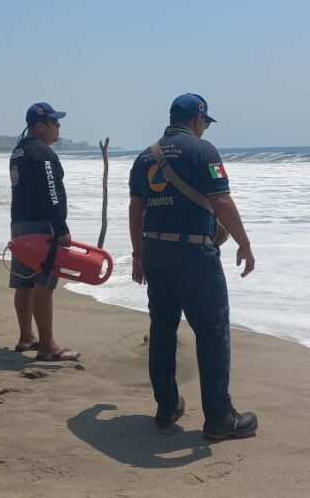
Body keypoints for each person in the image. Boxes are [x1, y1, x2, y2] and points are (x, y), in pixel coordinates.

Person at [128, 93, 257, 440]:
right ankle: (219, 417)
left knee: (163, 328)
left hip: (154, 249)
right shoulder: (204, 151)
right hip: (192, 255)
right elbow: (221, 201)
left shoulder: (143, 157)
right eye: (204, 123)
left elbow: (136, 209)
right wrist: (244, 243)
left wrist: (137, 254)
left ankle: (167, 407)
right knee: (212, 332)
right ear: (198, 120)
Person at [8, 102, 79, 362]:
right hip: (40, 226)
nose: (58, 127)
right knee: (43, 283)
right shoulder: (43, 153)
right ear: (40, 125)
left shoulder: (19, 151)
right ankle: (47, 345)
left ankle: (26, 335)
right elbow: (51, 193)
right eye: (55, 122)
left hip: (19, 224)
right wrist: (61, 228)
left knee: (24, 282)